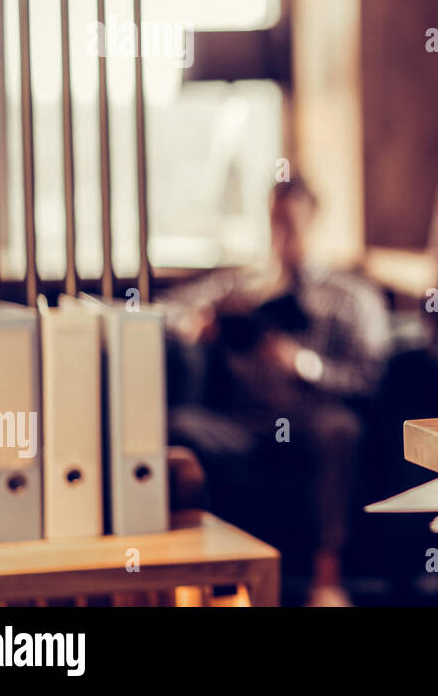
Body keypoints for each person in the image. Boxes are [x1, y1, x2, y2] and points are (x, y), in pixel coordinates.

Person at [160, 174, 391, 607]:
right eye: (274, 222)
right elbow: (165, 309)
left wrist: (300, 363)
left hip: (313, 412)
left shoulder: (350, 294)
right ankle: (210, 579)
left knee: (340, 430)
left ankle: (327, 577)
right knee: (181, 425)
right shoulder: (243, 286)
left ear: (313, 221)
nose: (281, 233)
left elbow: (367, 377)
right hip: (244, 419)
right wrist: (198, 324)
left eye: (291, 222)